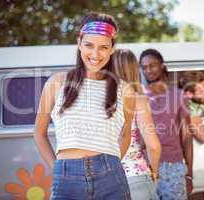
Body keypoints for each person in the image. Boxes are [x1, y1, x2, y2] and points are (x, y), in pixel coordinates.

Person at [34, 12, 135, 200]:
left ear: (112, 49)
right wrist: (57, 168)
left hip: (111, 177)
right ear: (79, 44)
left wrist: (109, 165)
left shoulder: (125, 90)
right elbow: (39, 133)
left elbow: (125, 135)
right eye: (89, 45)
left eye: (103, 47)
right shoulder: (56, 83)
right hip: (66, 177)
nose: (95, 54)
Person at [139, 48, 193, 200]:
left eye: (152, 65)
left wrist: (189, 175)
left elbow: (187, 137)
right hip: (144, 166)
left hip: (173, 166)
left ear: (162, 65)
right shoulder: (137, 96)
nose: (148, 70)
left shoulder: (178, 95)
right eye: (144, 67)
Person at [112, 48, 161, 200]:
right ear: (133, 70)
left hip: (107, 181)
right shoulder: (138, 99)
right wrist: (154, 171)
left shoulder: (98, 99)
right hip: (135, 176)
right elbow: (153, 146)